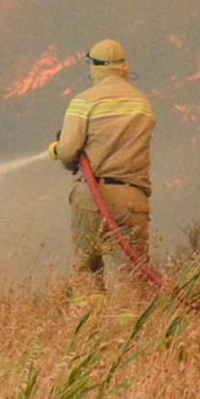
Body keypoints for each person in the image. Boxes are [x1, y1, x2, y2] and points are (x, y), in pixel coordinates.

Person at [49, 39, 155, 290]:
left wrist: (57, 150)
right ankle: (133, 324)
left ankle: (91, 321)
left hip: (92, 196)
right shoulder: (143, 103)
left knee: (87, 271)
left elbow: (67, 152)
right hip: (133, 199)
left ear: (95, 67)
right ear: (123, 67)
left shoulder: (84, 101)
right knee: (133, 276)